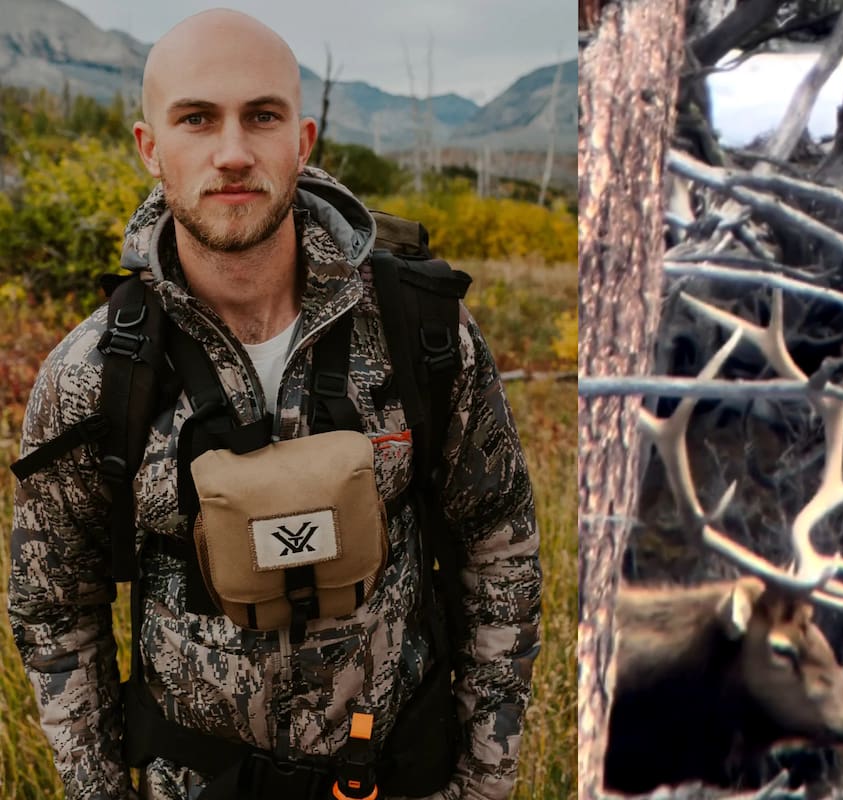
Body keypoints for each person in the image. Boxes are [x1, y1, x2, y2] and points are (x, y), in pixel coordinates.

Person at [7, 8, 541, 800]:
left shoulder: (419, 331)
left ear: (305, 139)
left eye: (263, 116)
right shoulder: (91, 375)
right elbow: (54, 611)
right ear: (150, 148)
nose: (232, 153)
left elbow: (500, 546)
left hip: (401, 774)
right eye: (196, 119)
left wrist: (483, 780)